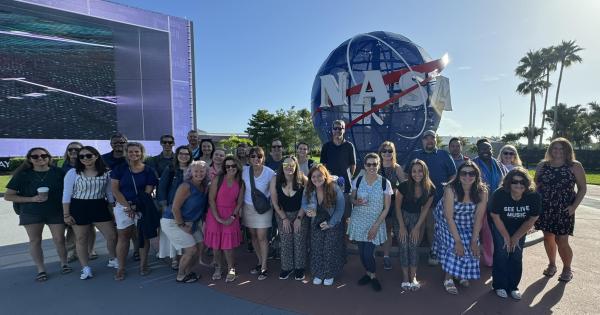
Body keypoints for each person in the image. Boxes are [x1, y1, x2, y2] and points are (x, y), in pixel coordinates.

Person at [4, 147, 71, 281]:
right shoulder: (23, 175)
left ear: (49, 157)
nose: (40, 158)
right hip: (31, 212)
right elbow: (8, 196)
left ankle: (64, 263)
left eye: (44, 155)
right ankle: (41, 269)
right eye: (35, 156)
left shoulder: (58, 172)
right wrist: (32, 199)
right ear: (29, 159)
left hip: (55, 210)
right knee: (35, 241)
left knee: (59, 239)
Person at [534, 137, 586, 283]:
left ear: (567, 150)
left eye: (561, 148)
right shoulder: (542, 166)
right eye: (555, 148)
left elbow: (582, 188)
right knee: (548, 237)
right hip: (545, 208)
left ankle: (567, 268)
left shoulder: (574, 166)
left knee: (561, 240)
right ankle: (551, 264)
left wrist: (574, 206)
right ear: (550, 150)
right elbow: (535, 186)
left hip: (565, 208)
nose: (558, 151)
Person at [62, 146, 118, 280]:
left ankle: (113, 259)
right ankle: (85, 268)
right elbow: (66, 194)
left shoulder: (106, 172)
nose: (85, 158)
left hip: (99, 205)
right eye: (82, 156)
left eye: (89, 155)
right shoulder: (73, 173)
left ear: (96, 156)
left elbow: (109, 193)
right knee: (81, 239)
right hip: (79, 206)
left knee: (111, 236)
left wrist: (113, 210)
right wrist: (66, 214)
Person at [434, 161, 488, 295]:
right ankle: (448, 278)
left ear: (477, 175)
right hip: (446, 220)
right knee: (455, 246)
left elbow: (478, 218)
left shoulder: (482, 191)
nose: (467, 176)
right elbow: (448, 216)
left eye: (471, 173)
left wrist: (475, 240)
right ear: (459, 175)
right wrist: (458, 241)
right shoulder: (450, 189)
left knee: (471, 245)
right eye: (464, 173)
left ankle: (460, 273)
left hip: (467, 221)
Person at [405, 130, 456, 265]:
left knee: (431, 226)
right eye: (426, 138)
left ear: (435, 139)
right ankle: (412, 254)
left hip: (438, 201)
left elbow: (453, 175)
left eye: (432, 138)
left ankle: (433, 252)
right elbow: (406, 175)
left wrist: (448, 191)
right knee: (417, 226)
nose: (429, 140)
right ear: (422, 140)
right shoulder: (415, 154)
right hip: (417, 201)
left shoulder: (444, 155)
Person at [490, 168, 541, 299]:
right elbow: (495, 216)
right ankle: (499, 285)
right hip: (500, 224)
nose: (519, 185)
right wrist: (507, 237)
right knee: (502, 252)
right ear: (508, 183)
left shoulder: (533, 196)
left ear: (527, 183)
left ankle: (513, 286)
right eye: (514, 182)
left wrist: (516, 237)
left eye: (522, 182)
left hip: (520, 227)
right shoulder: (499, 194)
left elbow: (532, 219)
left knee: (516, 254)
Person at [111, 142, 159, 280]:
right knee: (123, 237)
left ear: (141, 153)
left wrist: (135, 206)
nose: (134, 154)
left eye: (137, 151)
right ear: (126, 153)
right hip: (123, 206)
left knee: (143, 235)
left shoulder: (148, 170)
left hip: (142, 206)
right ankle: (121, 268)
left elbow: (148, 190)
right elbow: (115, 189)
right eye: (131, 151)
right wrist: (127, 206)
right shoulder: (119, 169)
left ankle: (143, 265)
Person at [348, 153, 393, 292]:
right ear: (365, 166)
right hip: (359, 219)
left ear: (378, 165)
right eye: (369, 164)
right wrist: (356, 201)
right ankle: (367, 273)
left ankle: (373, 276)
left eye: (374, 164)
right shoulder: (359, 180)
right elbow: (352, 198)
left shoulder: (385, 183)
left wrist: (376, 226)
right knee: (361, 253)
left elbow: (386, 208)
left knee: (368, 253)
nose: (372, 167)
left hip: (375, 221)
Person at [160, 161, 209, 283]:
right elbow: (175, 208)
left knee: (201, 245)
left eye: (202, 171)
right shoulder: (185, 186)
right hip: (173, 221)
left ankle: (188, 271)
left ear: (206, 172)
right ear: (190, 172)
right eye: (196, 171)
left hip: (190, 222)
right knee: (191, 250)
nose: (199, 173)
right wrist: (181, 225)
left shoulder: (204, 186)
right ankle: (181, 275)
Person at [303, 164, 346, 286]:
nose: (316, 179)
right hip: (316, 221)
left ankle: (329, 273)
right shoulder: (309, 188)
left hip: (332, 221)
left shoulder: (334, 187)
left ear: (325, 175)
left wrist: (330, 224)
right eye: (313, 176)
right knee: (316, 247)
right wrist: (307, 210)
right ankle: (318, 273)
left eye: (319, 176)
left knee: (329, 248)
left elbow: (340, 208)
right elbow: (304, 202)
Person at [395, 159, 435, 291]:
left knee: (413, 246)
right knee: (404, 246)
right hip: (402, 217)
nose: (417, 174)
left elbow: (425, 210)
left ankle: (413, 276)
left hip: (418, 219)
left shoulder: (430, 188)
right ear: (410, 172)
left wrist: (417, 227)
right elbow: (397, 207)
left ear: (425, 172)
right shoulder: (404, 186)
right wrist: (401, 227)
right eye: (414, 171)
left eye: (420, 171)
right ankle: (405, 277)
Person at [205, 156, 245, 282]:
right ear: (224, 167)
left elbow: (239, 203)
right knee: (216, 246)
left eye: (233, 166)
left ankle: (231, 269)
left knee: (228, 247)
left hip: (231, 214)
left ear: (237, 167)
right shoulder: (218, 178)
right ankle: (218, 268)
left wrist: (232, 217)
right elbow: (211, 199)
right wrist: (218, 217)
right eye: (227, 166)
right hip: (215, 214)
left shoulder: (240, 182)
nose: (230, 168)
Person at [269, 156, 309, 281]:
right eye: (286, 165)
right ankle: (287, 267)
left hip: (300, 214)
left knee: (299, 239)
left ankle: (299, 268)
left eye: (292, 165)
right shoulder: (275, 179)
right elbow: (274, 202)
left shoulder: (303, 179)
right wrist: (284, 218)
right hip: (282, 214)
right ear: (282, 166)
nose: (289, 167)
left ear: (296, 166)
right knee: (286, 240)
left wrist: (299, 218)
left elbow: (306, 201)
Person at [242, 147, 276, 280]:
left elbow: (273, 193)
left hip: (263, 208)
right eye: (253, 156)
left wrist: (277, 208)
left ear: (263, 158)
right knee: (253, 236)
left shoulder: (270, 173)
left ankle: (264, 266)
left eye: (259, 156)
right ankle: (259, 261)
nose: (256, 159)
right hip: (248, 207)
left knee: (262, 236)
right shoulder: (244, 171)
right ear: (249, 158)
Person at [473, 139, 508, 267]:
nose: (486, 151)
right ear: (478, 150)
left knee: (490, 234)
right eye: (483, 148)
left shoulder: (499, 165)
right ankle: (471, 259)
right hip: (477, 205)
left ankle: (489, 260)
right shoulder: (472, 165)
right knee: (474, 233)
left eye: (488, 148)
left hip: (496, 205)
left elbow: (507, 182)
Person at [156, 145, 193, 269]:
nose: (184, 156)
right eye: (181, 153)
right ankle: (174, 260)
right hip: (172, 206)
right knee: (173, 233)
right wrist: (164, 205)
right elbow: (162, 187)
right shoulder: (171, 169)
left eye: (187, 154)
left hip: (188, 207)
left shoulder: (193, 169)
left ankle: (185, 257)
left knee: (184, 232)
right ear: (177, 155)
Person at [61, 142, 96, 263]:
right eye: (70, 149)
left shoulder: (89, 163)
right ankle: (72, 252)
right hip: (70, 202)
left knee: (90, 227)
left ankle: (90, 250)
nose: (73, 151)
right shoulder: (64, 166)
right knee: (72, 228)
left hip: (89, 200)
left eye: (76, 149)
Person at [320, 120, 356, 220]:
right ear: (332, 130)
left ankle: (344, 236)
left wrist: (347, 176)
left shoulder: (349, 146)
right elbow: (322, 167)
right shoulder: (326, 146)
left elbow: (353, 165)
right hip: (329, 187)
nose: (337, 130)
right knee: (330, 216)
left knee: (346, 217)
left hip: (345, 188)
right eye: (335, 128)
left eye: (340, 128)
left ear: (344, 130)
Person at [377, 141, 405, 270]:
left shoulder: (397, 167)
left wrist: (395, 190)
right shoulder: (375, 166)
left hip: (393, 203)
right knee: (375, 228)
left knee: (389, 229)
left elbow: (404, 185)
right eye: (384, 151)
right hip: (376, 203)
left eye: (390, 151)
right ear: (380, 153)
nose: (387, 153)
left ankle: (386, 256)